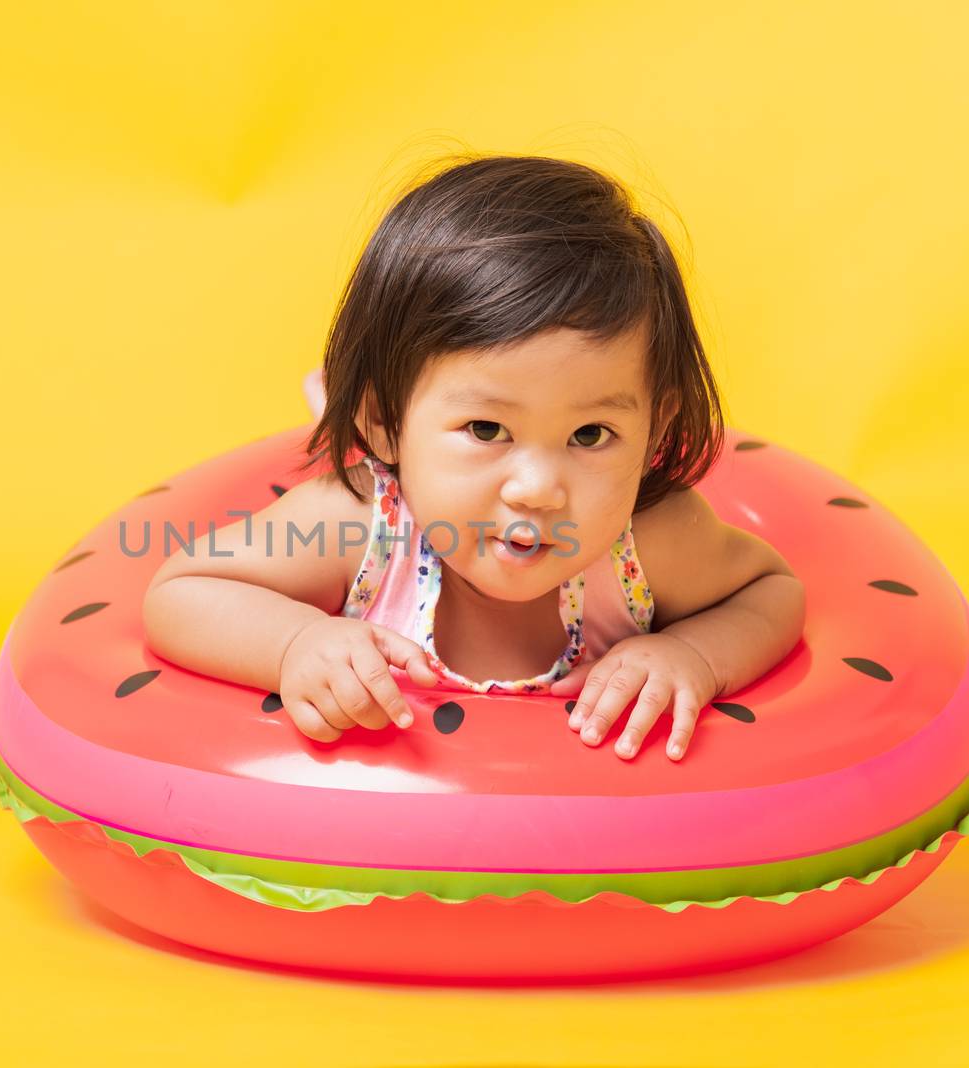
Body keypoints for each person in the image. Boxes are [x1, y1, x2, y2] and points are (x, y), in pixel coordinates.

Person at [143, 154, 805, 760]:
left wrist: (691, 652)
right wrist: (295, 644)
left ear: (656, 430)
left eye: (590, 436)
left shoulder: (650, 539)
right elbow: (182, 593)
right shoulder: (359, 525)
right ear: (384, 422)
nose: (538, 488)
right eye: (486, 429)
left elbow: (770, 592)